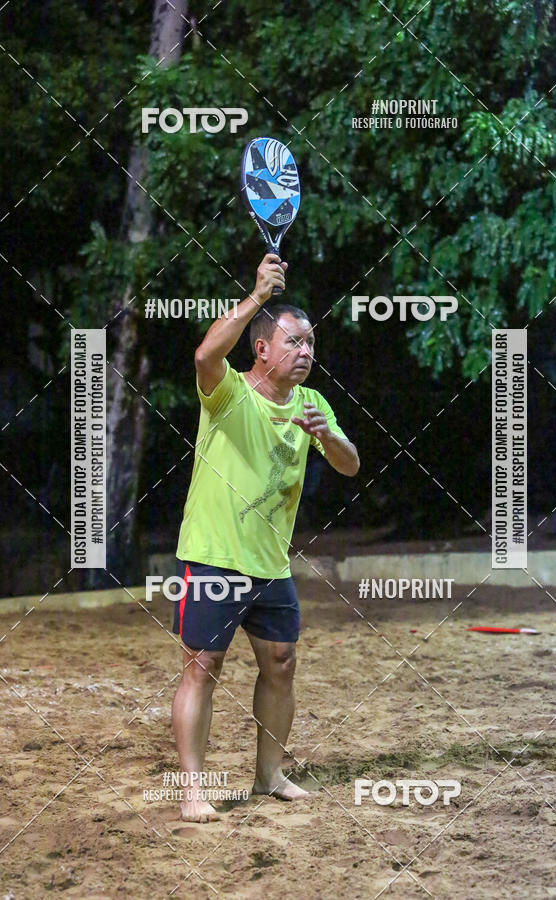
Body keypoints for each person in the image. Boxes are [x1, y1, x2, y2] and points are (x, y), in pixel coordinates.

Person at [171, 253, 360, 822]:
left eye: (311, 343)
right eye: (295, 341)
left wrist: (329, 438)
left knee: (281, 661)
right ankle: (192, 791)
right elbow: (205, 353)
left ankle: (269, 775)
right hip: (212, 556)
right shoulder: (227, 393)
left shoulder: (311, 403)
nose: (307, 351)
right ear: (262, 348)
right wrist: (256, 296)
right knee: (203, 667)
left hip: (271, 563)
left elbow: (351, 465)